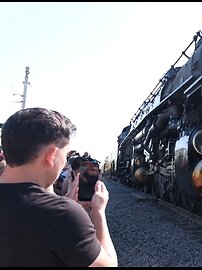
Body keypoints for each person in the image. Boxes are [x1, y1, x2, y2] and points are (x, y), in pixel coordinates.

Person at [0, 107, 117, 267]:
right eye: (65, 155)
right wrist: (98, 213)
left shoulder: (59, 211)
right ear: (52, 156)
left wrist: (63, 199)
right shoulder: (61, 215)